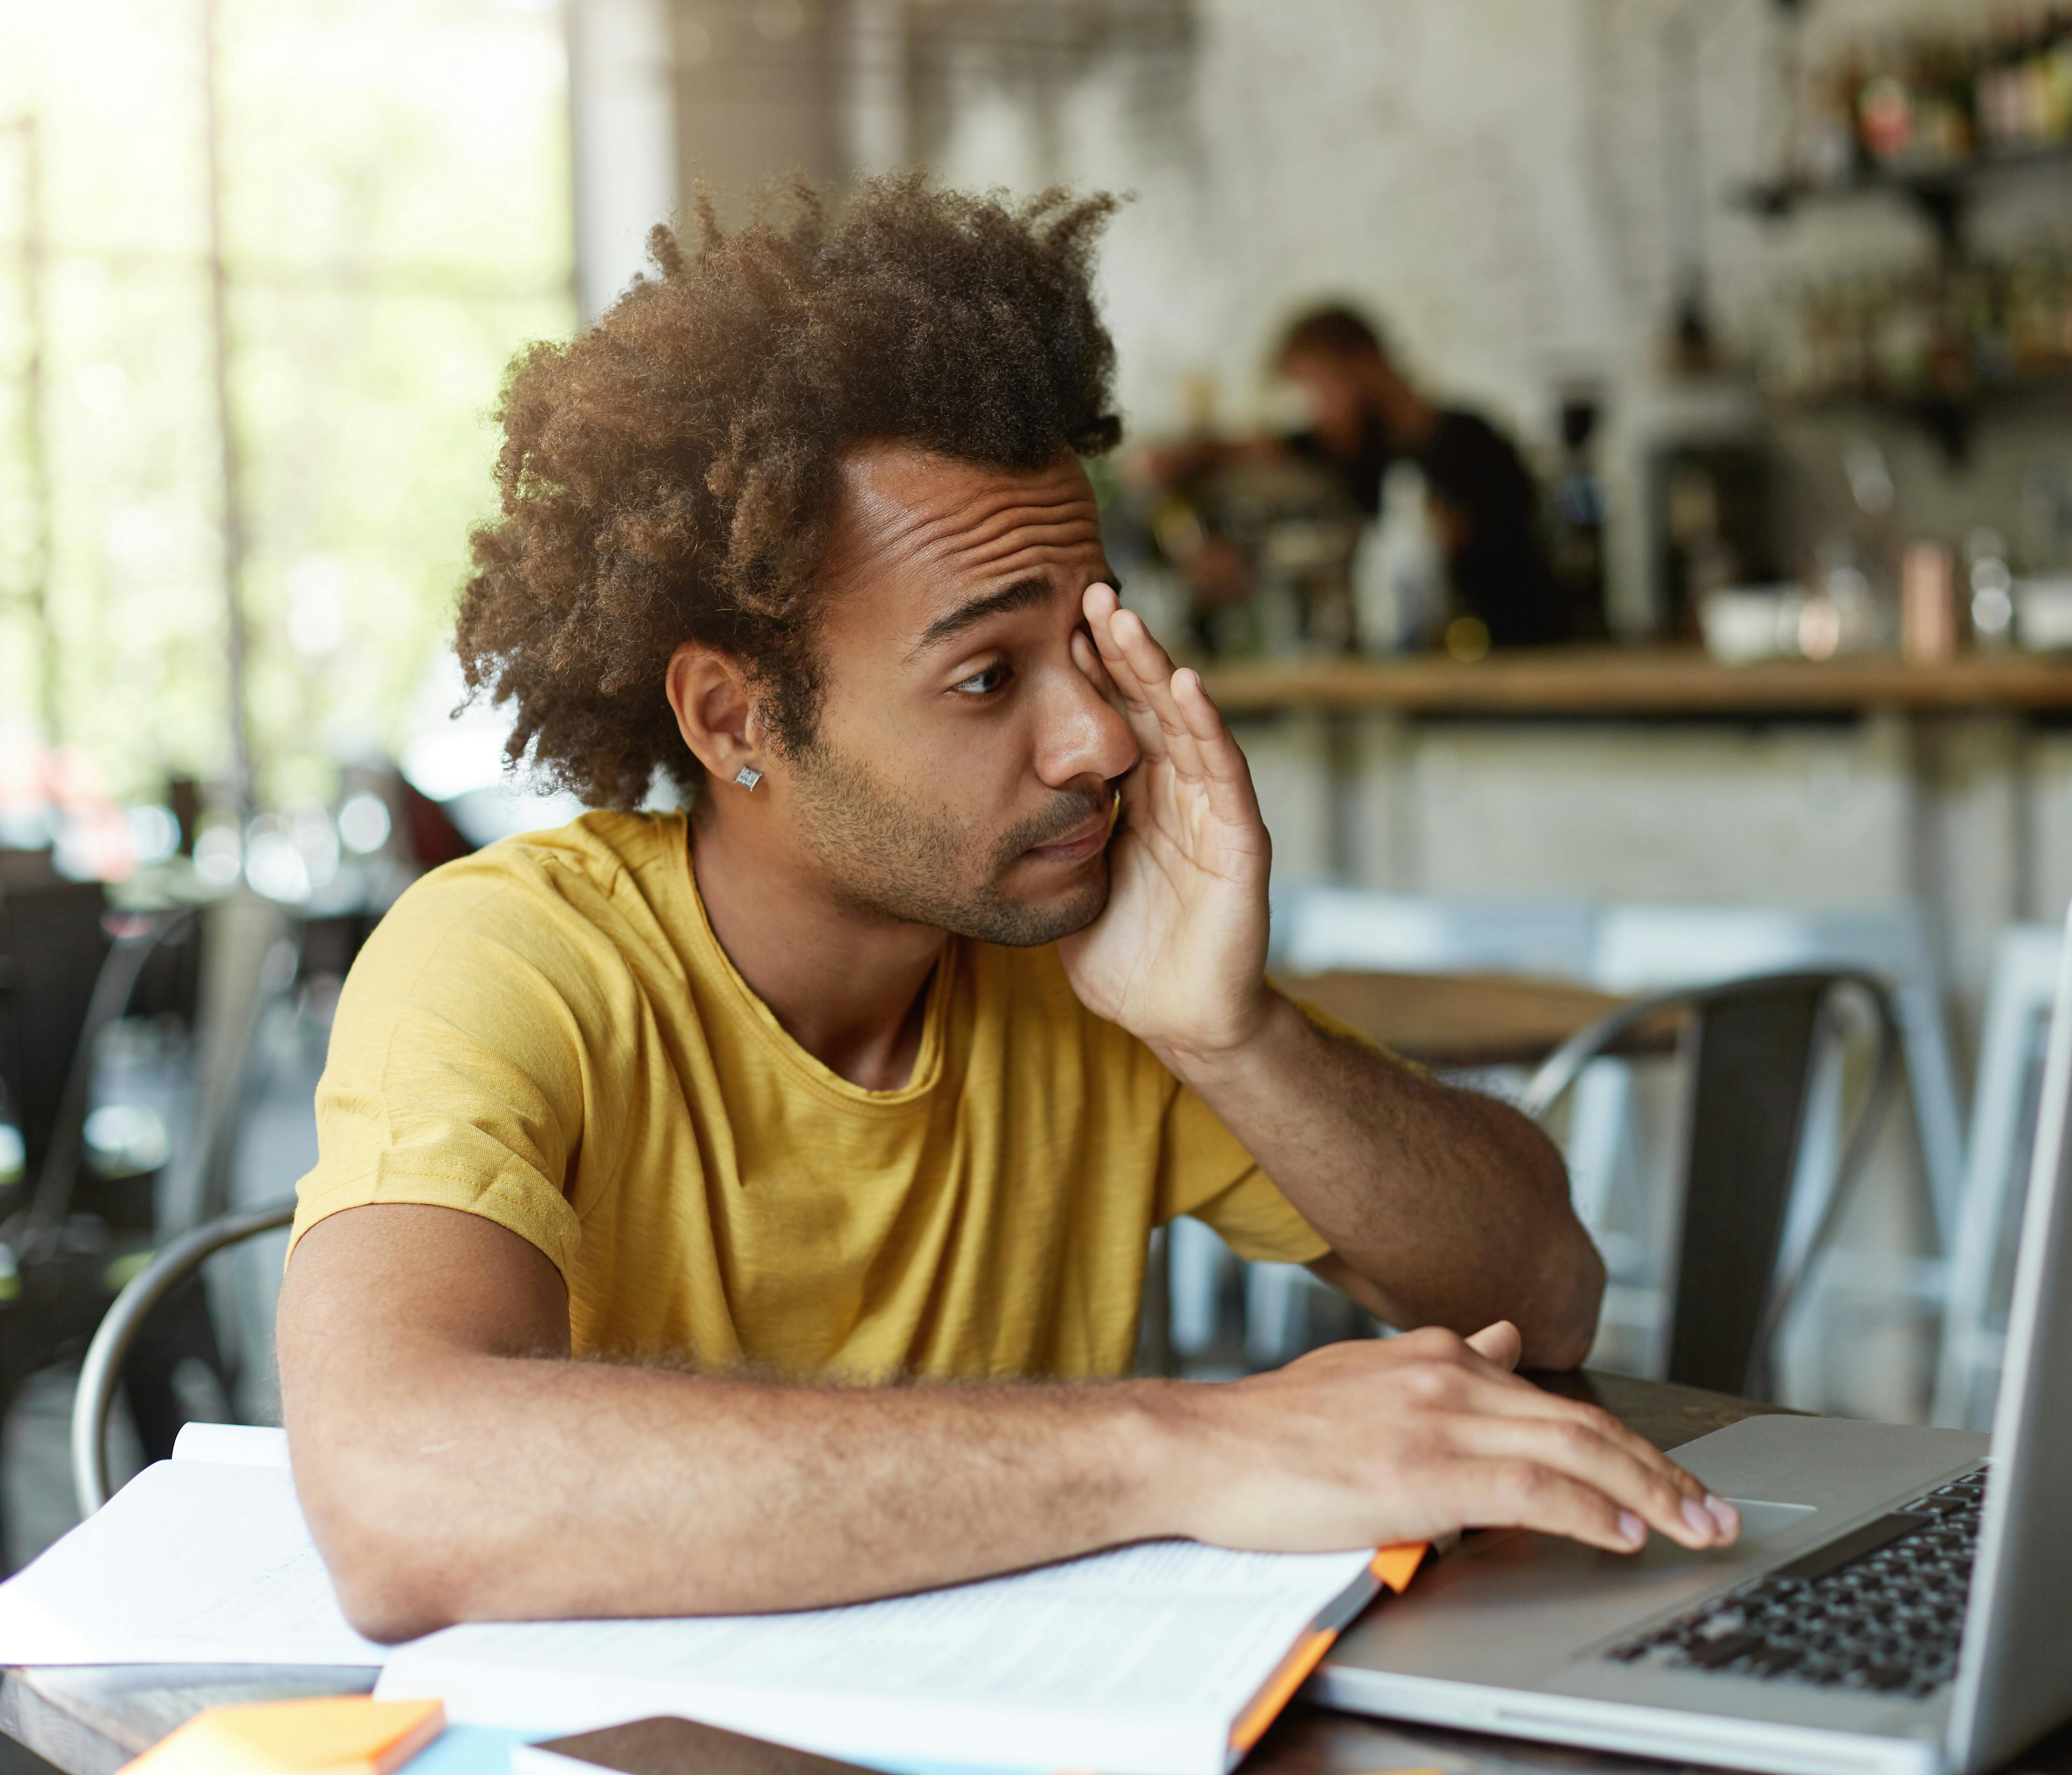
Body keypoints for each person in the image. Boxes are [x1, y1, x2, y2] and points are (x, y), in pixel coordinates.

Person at [276, 176, 1737, 1642]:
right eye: (987, 678)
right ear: (736, 717)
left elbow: (1547, 1292)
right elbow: (398, 1495)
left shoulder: (1083, 971)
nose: (1098, 740)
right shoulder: (509, 965)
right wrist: (1193, 1446)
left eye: (1091, 643)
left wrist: (1232, 1034)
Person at [1271, 304, 1567, 648]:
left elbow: (1455, 546)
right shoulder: (1358, 450)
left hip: (1509, 663)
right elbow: (1254, 447)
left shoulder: (1469, 441)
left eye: (1321, 388)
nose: (1318, 412)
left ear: (1365, 364)